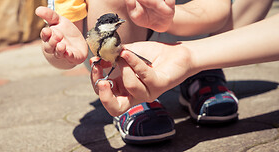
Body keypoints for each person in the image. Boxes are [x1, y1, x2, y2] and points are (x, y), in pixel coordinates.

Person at [36, 0, 279, 144]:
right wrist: (60, 52)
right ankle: (128, 92)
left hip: (190, 23)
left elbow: (216, 6)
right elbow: (69, 36)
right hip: (120, 43)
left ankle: (203, 71)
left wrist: (169, 18)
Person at [91, 13, 279, 117]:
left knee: (121, 62)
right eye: (114, 23)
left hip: (124, 57)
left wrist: (187, 56)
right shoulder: (92, 36)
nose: (118, 25)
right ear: (102, 25)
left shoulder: (114, 40)